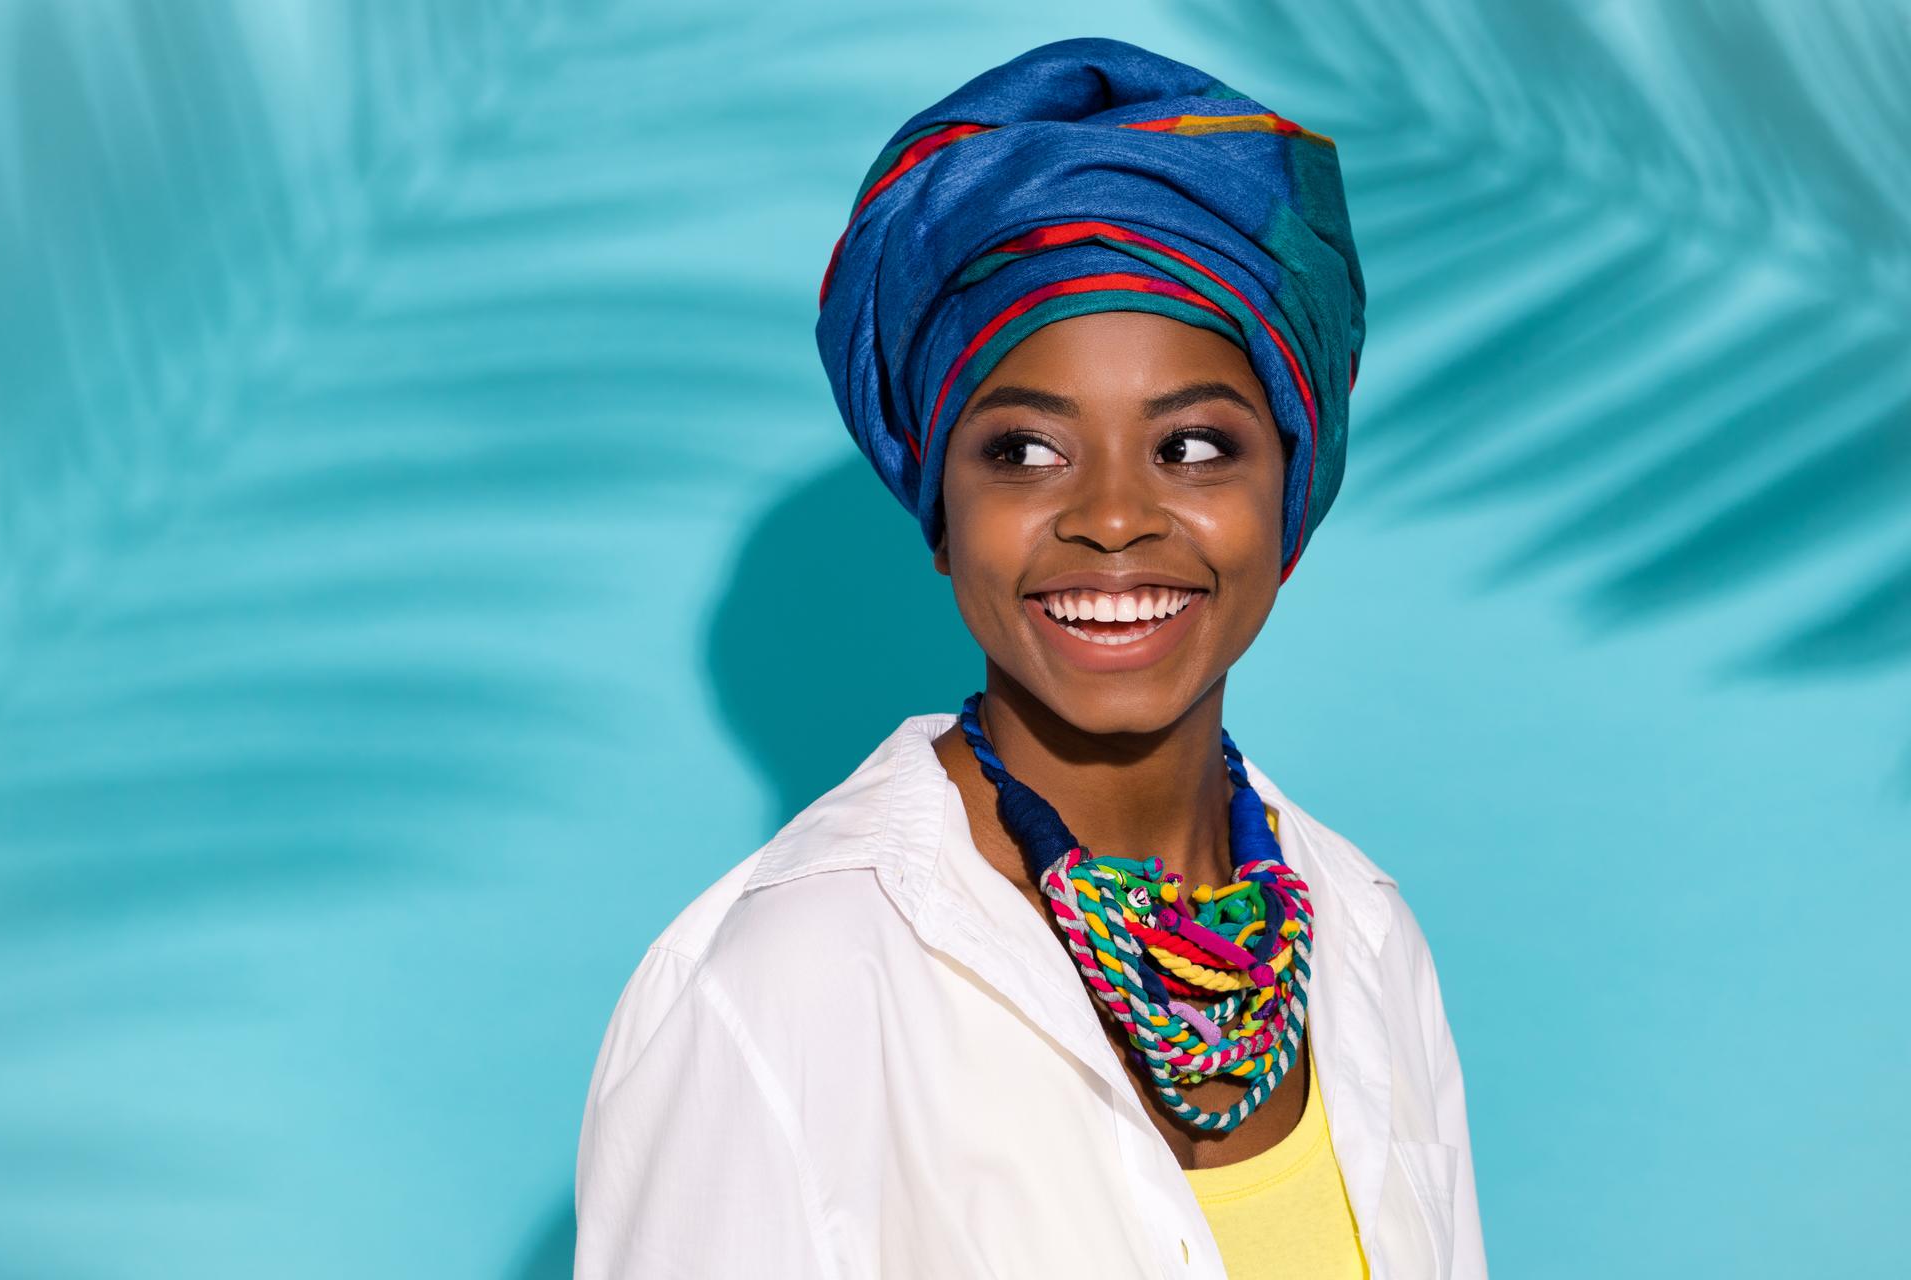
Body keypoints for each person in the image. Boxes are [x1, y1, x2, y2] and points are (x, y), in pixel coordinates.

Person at [575, 36, 1485, 1279]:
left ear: (1292, 501)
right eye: (1025, 452)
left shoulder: (1369, 941)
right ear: (941, 510)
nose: (1114, 517)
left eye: (1198, 446)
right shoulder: (788, 987)